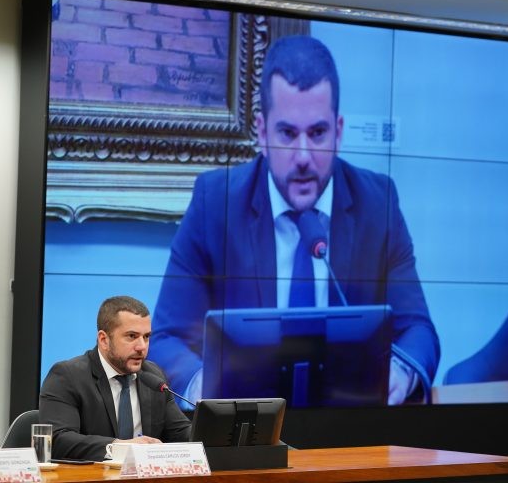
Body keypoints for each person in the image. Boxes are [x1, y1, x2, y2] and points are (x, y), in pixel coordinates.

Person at [149, 35, 440, 406]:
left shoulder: (377, 204)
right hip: (244, 435)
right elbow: (166, 338)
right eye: (287, 133)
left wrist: (400, 373)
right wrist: (198, 383)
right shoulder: (215, 203)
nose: (303, 156)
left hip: (351, 437)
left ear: (338, 130)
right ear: (263, 132)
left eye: (318, 133)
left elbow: (419, 330)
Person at [39, 295, 191, 461]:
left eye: (146, 337)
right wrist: (121, 448)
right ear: (104, 340)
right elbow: (58, 440)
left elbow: (181, 433)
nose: (142, 346)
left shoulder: (153, 376)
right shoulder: (67, 376)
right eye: (132, 336)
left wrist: (217, 434)